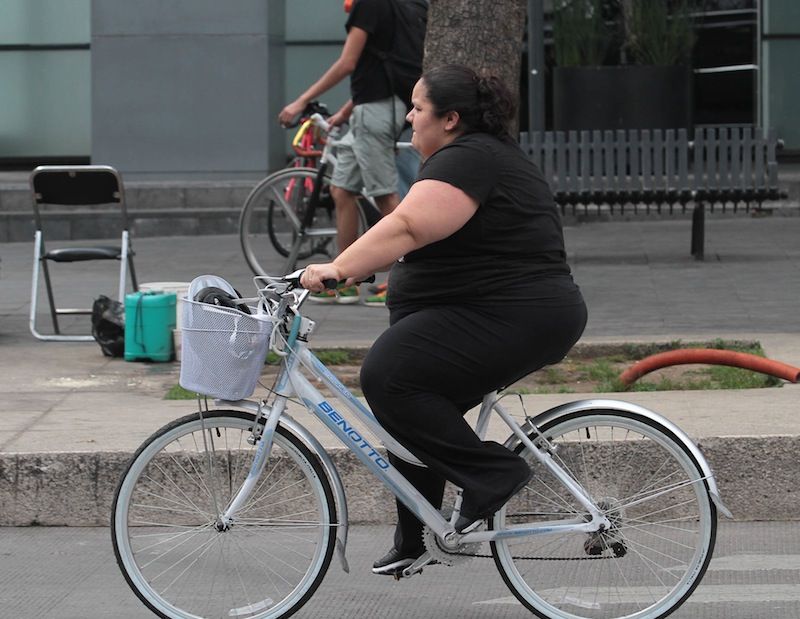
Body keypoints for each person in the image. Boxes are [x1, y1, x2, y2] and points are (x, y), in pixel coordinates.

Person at [300, 64, 588, 576]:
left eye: (418, 108)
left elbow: (408, 227)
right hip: (501, 311)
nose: (409, 117)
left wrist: (338, 267)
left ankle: (494, 476)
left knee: (389, 375)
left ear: (451, 118)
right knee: (410, 416)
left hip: (516, 313)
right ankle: (419, 534)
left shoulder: (469, 158)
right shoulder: (469, 158)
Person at [279, 0, 422, 305]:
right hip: (373, 107)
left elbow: (348, 62)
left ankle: (416, 277)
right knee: (342, 190)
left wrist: (301, 101)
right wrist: (346, 112)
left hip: (376, 112)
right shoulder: (397, 6)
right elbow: (377, 69)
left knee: (385, 196)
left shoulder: (369, 4)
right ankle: (342, 280)